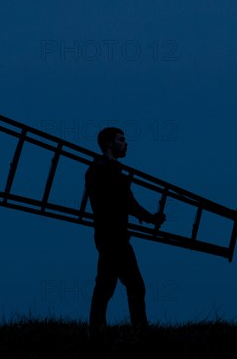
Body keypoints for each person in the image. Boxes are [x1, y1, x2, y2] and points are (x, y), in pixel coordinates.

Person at [84, 127, 166, 329]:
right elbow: (125, 202)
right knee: (130, 285)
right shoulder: (100, 169)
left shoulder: (110, 170)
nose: (126, 143)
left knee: (108, 285)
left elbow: (128, 202)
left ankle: (98, 329)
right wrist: (149, 218)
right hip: (112, 237)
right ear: (109, 143)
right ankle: (136, 330)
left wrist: (150, 218)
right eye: (121, 140)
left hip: (114, 236)